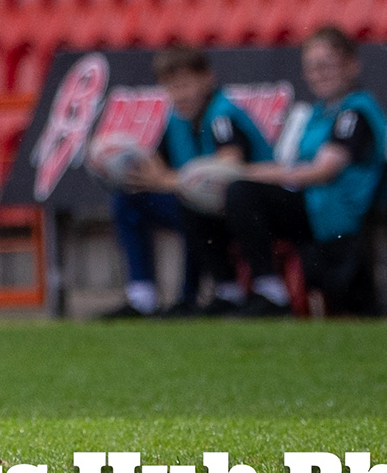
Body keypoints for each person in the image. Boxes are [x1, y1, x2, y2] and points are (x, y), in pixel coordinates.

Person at [223, 26, 387, 316]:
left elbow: (322, 171)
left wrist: (246, 174)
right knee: (219, 199)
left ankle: (270, 292)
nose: (318, 74)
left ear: (352, 65)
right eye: (311, 67)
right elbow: (291, 164)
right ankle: (225, 291)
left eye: (326, 65)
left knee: (243, 193)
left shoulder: (354, 112)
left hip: (334, 217)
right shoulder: (318, 113)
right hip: (313, 209)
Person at [102, 45, 272, 318]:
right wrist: (114, 159)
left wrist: (171, 181)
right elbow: (155, 166)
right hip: (206, 206)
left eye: (184, 85)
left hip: (248, 209)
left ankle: (194, 296)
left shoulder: (222, 114)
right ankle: (142, 295)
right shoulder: (175, 118)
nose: (178, 95)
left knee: (192, 200)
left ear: (207, 79)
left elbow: (229, 166)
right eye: (170, 87)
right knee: (129, 200)